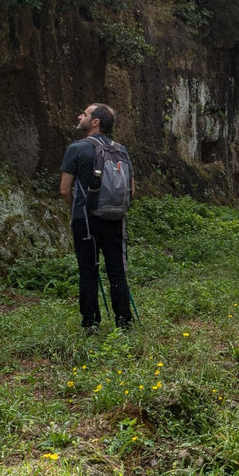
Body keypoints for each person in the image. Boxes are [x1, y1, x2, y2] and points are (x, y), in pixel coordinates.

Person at [59, 103, 134, 334]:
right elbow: (131, 188)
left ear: (95, 122)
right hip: (116, 217)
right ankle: (124, 323)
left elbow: (64, 189)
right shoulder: (120, 149)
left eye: (85, 113)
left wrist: (78, 208)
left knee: (88, 270)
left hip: (86, 218)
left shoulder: (77, 148)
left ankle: (91, 324)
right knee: (117, 270)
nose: (80, 115)